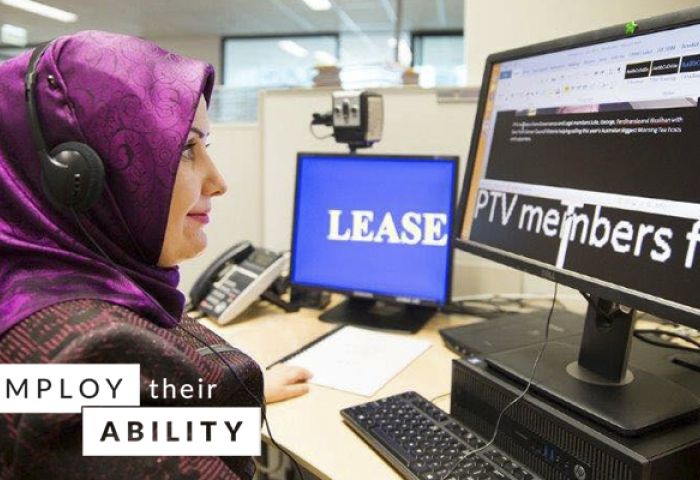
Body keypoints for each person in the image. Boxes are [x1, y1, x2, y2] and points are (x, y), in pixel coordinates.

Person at [0, 31, 311, 479]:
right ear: (78, 177)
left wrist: (237, 394)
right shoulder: (90, 354)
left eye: (208, 146)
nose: (217, 180)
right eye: (186, 149)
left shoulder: (64, 289)